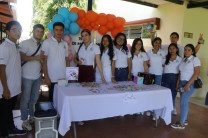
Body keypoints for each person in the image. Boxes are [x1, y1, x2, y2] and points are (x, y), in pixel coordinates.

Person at [0, 21, 26, 137]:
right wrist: (5, 89)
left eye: (19, 30)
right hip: (6, 89)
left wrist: (19, 83)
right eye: (15, 29)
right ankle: (4, 133)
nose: (18, 32)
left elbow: (16, 67)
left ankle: (11, 129)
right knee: (3, 113)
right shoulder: (4, 47)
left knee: (9, 111)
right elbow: (1, 69)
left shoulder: (16, 46)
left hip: (14, 87)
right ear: (7, 32)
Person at [19, 24, 45, 131]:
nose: (39, 33)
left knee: (34, 98)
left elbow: (42, 60)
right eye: (37, 31)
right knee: (25, 98)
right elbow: (21, 57)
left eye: (41, 32)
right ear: (33, 32)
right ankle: (24, 120)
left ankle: (32, 116)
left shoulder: (43, 45)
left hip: (37, 76)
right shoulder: (25, 43)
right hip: (26, 76)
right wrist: (36, 58)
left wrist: (43, 71)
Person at [171, 44, 200, 129]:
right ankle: (184, 120)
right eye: (185, 49)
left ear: (193, 51)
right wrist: (178, 84)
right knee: (184, 102)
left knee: (183, 102)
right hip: (182, 83)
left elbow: (197, 73)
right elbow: (180, 73)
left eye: (189, 50)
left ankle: (181, 123)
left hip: (190, 83)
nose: (186, 51)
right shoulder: (183, 60)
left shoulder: (195, 59)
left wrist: (188, 84)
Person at [42, 22, 70, 102]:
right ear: (53, 31)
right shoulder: (47, 42)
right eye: (56, 30)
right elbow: (44, 61)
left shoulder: (65, 44)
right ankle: (53, 115)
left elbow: (67, 60)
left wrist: (69, 76)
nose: (59, 32)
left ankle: (61, 115)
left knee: (63, 99)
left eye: (61, 30)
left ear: (63, 31)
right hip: (52, 78)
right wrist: (46, 77)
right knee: (52, 100)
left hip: (64, 78)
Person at [161, 43, 182, 115]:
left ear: (177, 49)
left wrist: (178, 82)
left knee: (173, 94)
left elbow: (180, 71)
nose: (172, 50)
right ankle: (164, 108)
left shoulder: (180, 59)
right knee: (165, 94)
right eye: (170, 49)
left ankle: (173, 107)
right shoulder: (165, 58)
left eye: (173, 48)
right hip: (166, 78)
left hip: (175, 78)